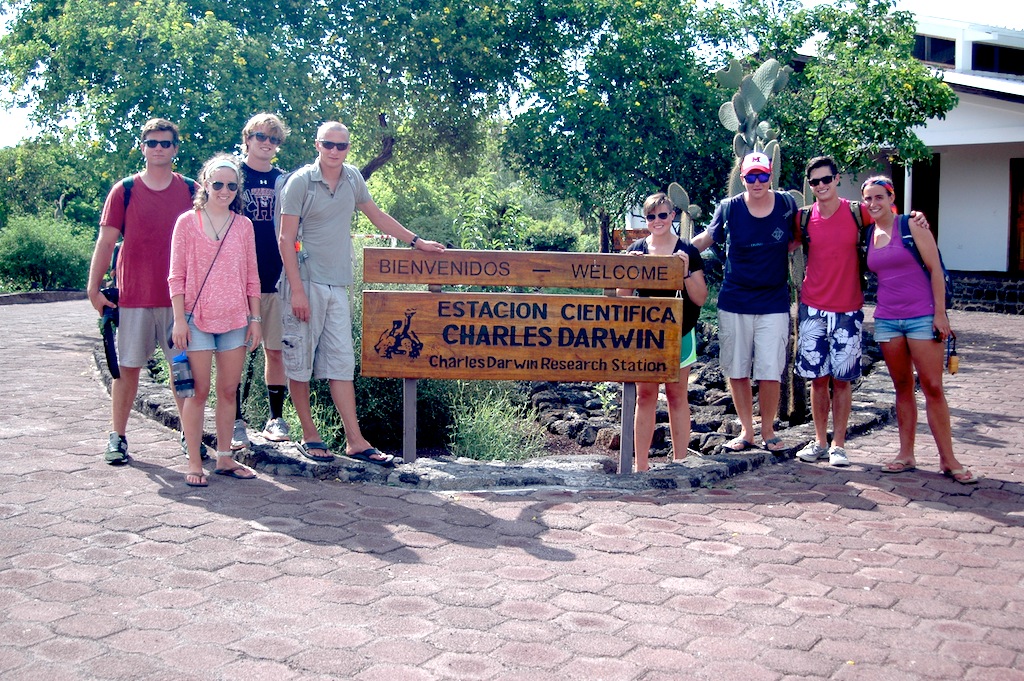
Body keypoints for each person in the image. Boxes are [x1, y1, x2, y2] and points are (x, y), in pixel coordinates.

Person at [277, 121, 445, 466]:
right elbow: (285, 238)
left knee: (341, 364)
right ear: (317, 145)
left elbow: (377, 216)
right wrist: (297, 291)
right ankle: (309, 434)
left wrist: (417, 242)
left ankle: (355, 441)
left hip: (339, 285)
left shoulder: (353, 178)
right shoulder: (300, 182)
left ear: (348, 148)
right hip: (304, 283)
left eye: (341, 146)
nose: (334, 151)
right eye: (328, 144)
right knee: (300, 362)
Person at [86, 118, 197, 465]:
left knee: (183, 372)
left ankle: (190, 435)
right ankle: (117, 437)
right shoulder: (125, 190)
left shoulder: (192, 190)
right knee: (127, 370)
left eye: (165, 143)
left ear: (175, 149)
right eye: (152, 143)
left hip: (179, 300)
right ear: (143, 147)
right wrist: (93, 288)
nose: (158, 149)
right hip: (134, 296)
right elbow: (106, 241)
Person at [862, 176, 978, 484]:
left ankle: (948, 459)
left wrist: (940, 315)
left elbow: (935, 269)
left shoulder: (912, 225)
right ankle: (906, 454)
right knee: (902, 387)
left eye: (879, 197)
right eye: (868, 198)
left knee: (932, 386)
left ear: (891, 198)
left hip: (922, 317)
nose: (873, 203)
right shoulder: (869, 233)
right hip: (887, 319)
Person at [692, 152, 797, 453]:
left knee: (769, 370)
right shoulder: (729, 208)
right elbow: (706, 239)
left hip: (773, 301)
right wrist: (671, 252)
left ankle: (768, 430)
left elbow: (801, 237)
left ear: (771, 175)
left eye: (762, 175)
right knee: (736, 369)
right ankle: (747, 431)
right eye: (751, 176)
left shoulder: (787, 205)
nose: (757, 182)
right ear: (742, 179)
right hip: (735, 299)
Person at [169, 154, 262, 487]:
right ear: (206, 184)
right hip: (196, 319)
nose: (225, 191)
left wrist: (255, 319)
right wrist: (179, 320)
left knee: (228, 390)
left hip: (235, 319)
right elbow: (176, 276)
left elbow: (252, 276)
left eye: (231, 186)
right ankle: (195, 461)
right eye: (218, 184)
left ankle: (224, 457)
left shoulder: (243, 226)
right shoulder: (186, 222)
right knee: (198, 391)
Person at [617, 193, 708, 471]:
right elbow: (622, 297)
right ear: (646, 220)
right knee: (645, 396)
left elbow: (700, 297)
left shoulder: (688, 251)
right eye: (651, 216)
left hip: (680, 332)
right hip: (646, 336)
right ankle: (641, 466)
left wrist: (684, 271)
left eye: (663, 215)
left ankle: (680, 462)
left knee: (676, 395)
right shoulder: (637, 249)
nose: (657, 221)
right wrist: (630, 271)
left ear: (672, 216)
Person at [794, 156, 872, 468]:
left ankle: (839, 444)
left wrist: (915, 219)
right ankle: (820, 441)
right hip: (812, 308)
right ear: (809, 185)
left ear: (837, 179)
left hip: (848, 309)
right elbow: (782, 246)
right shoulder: (802, 218)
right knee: (817, 379)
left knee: (842, 380)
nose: (821, 185)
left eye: (826, 179)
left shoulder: (858, 212)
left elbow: (890, 220)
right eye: (815, 182)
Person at [230, 113, 293, 449]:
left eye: (273, 138)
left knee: (276, 351)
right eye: (260, 136)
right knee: (233, 355)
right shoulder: (231, 177)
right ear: (247, 138)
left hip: (276, 278)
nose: (267, 143)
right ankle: (234, 421)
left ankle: (275, 418)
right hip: (236, 282)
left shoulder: (284, 181)